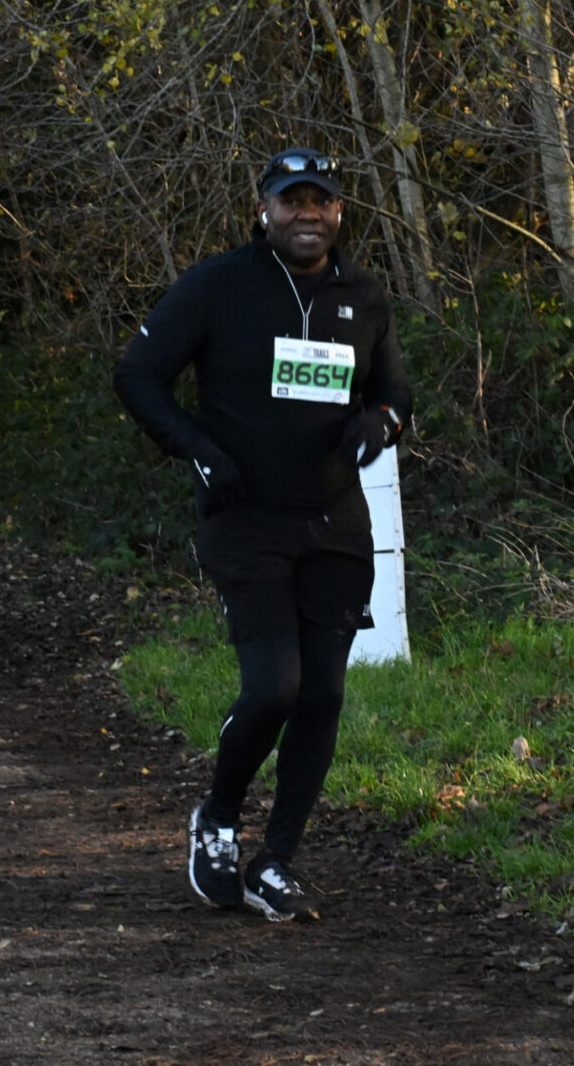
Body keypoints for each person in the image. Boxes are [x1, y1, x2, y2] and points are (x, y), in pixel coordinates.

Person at [113, 148, 413, 922]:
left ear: (339, 212)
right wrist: (199, 451)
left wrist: (379, 424)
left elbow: (394, 396)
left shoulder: (363, 295)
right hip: (246, 520)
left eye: (320, 201)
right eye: (291, 201)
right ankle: (217, 817)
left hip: (336, 524)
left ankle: (278, 861)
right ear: (264, 210)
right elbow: (138, 374)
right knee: (274, 687)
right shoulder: (218, 285)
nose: (306, 214)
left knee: (323, 694)